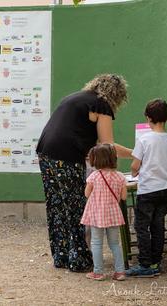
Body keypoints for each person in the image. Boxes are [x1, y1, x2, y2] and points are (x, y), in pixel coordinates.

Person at [36, 74, 132, 272]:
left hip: (45, 153)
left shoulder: (76, 98)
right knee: (76, 208)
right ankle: (79, 259)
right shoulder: (101, 105)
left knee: (57, 208)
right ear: (117, 95)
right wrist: (135, 154)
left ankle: (61, 256)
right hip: (67, 157)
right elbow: (107, 145)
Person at [125, 99, 167, 277]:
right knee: (158, 227)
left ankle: (144, 264)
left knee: (141, 227)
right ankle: (156, 263)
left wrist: (135, 173)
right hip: (164, 190)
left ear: (148, 118)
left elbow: (135, 165)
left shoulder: (144, 139)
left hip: (147, 190)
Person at [81, 144, 127, 281]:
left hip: (97, 215)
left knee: (96, 243)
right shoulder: (120, 176)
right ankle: (120, 272)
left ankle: (98, 272)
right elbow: (124, 197)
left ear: (96, 160)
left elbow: (86, 193)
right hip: (113, 215)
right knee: (114, 244)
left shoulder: (94, 176)